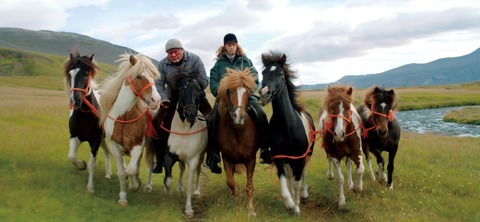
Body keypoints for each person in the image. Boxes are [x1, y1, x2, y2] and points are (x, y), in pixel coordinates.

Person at [206, 33, 271, 174]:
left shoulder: (245, 61)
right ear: (225, 47)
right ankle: (213, 154)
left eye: (233, 44)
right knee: (212, 119)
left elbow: (255, 79)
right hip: (226, 99)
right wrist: (221, 90)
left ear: (237, 45)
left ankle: (265, 149)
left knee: (260, 113)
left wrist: (249, 87)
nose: (231, 47)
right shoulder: (219, 64)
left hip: (245, 96)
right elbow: (214, 82)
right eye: (229, 45)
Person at [152, 38, 212, 173]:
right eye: (170, 52)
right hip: (172, 98)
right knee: (156, 122)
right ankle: (160, 160)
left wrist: (191, 86)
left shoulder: (195, 59)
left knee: (213, 120)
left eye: (175, 51)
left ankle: (211, 157)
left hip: (195, 96)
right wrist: (164, 99)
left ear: (182, 50)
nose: (173, 55)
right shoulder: (162, 64)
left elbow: (204, 80)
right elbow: (159, 83)